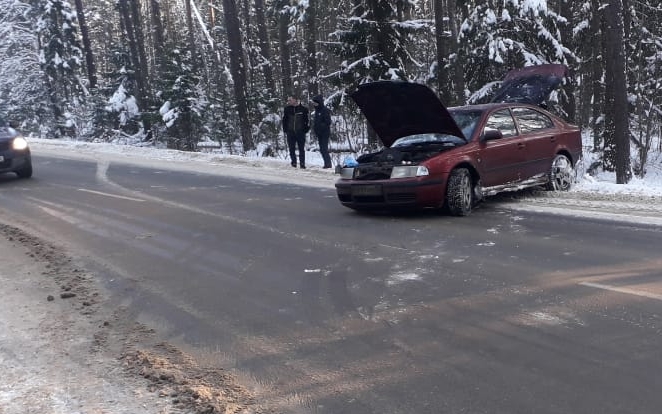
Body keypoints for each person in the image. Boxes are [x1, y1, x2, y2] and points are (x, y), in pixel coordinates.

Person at [282, 95, 310, 168]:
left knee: (301, 149)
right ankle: (293, 162)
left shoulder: (303, 109)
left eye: (290, 100)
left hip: (300, 132)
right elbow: (284, 120)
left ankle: (302, 163)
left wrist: (306, 129)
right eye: (288, 100)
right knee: (291, 148)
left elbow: (307, 120)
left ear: (295, 100)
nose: (289, 101)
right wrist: (285, 129)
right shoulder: (287, 109)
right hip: (290, 132)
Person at [311, 95, 332, 169]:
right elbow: (316, 122)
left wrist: (321, 126)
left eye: (315, 103)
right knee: (322, 149)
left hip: (325, 133)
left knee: (324, 149)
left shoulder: (325, 110)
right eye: (313, 103)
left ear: (319, 103)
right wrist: (315, 129)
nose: (314, 105)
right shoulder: (317, 111)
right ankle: (326, 163)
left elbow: (328, 122)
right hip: (319, 133)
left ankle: (328, 164)